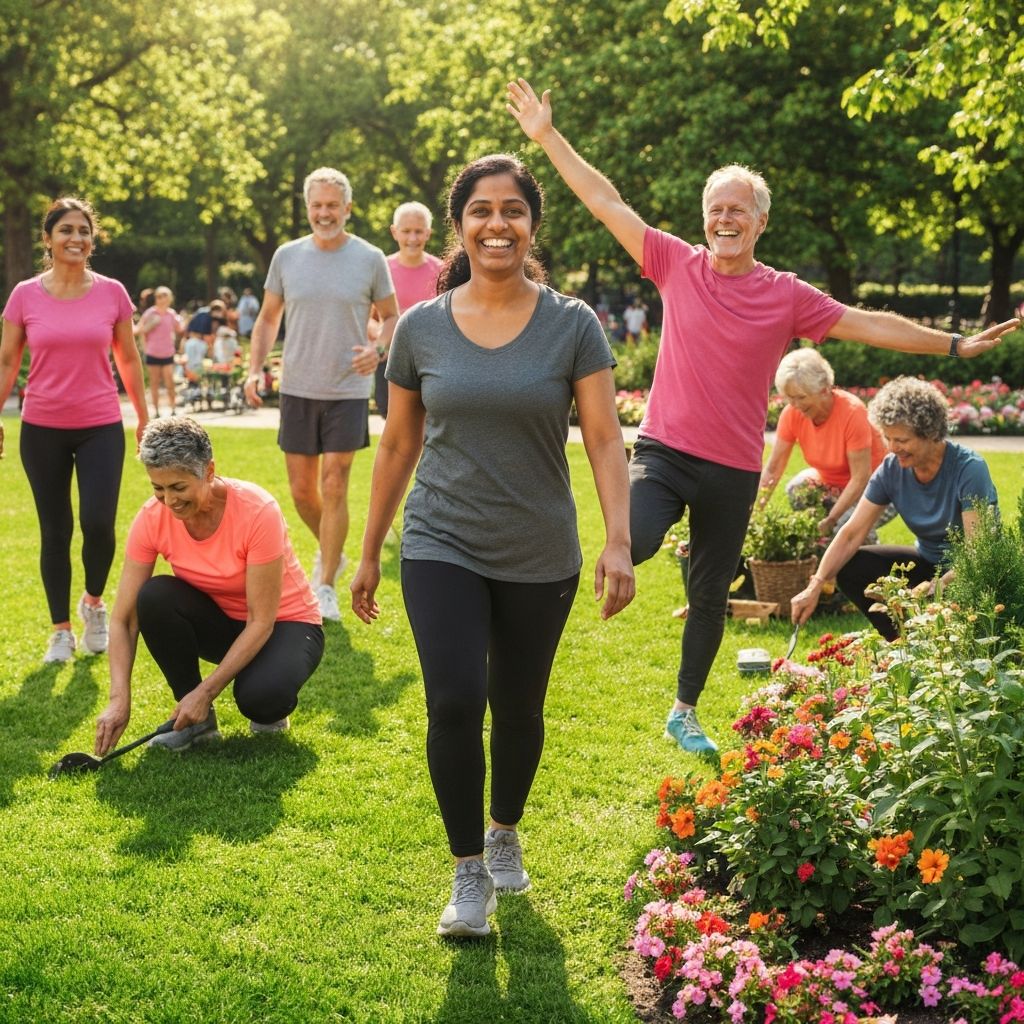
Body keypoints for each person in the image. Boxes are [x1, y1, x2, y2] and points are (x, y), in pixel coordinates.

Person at [507, 77, 1020, 755]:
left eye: (738, 210)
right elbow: (606, 200)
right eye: (716, 208)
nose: (725, 219)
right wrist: (546, 136)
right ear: (704, 217)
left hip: (732, 469)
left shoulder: (786, 295)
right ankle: (524, 638)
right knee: (631, 540)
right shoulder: (674, 262)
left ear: (760, 221)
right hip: (664, 452)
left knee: (713, 591)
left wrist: (953, 343)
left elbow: (867, 323)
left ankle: (684, 710)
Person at [350, 153, 635, 938]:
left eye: (512, 209)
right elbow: (398, 446)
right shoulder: (421, 328)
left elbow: (606, 439)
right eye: (481, 210)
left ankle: (504, 830)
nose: (497, 223)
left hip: (539, 547)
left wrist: (620, 541)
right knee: (451, 700)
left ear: (532, 224)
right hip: (440, 539)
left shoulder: (573, 324)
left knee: (517, 705)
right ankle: (467, 873)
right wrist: (372, 547)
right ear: (459, 225)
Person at [94, 417, 325, 755]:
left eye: (178, 487)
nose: (168, 500)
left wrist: (205, 692)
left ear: (209, 470)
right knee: (154, 596)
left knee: (261, 699)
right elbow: (124, 618)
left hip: (284, 625)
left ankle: (266, 701)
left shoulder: (258, 511)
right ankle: (199, 726)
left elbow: (261, 620)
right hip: (222, 624)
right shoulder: (151, 518)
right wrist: (119, 700)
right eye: (158, 488)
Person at [244, 167, 398, 623]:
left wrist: (377, 350)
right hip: (297, 386)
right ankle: (332, 552)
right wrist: (255, 368)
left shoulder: (370, 258)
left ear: (347, 209)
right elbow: (269, 318)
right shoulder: (287, 257)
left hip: (347, 389)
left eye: (333, 205)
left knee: (334, 483)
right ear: (308, 208)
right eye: (317, 205)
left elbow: (392, 316)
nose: (324, 213)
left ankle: (326, 582)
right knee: (301, 491)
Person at [0, 197, 149, 663]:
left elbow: (127, 357)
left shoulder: (112, 293)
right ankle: (61, 631)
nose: (76, 239)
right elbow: (7, 359)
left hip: (101, 424)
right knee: (55, 529)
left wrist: (145, 416)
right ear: (48, 239)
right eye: (65, 230)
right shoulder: (25, 294)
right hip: (42, 426)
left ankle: (93, 603)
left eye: (84, 231)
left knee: (99, 523)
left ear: (92, 239)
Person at [790, 376, 998, 639]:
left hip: (972, 573)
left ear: (931, 433)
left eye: (901, 440)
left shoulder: (969, 469)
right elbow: (852, 533)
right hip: (928, 563)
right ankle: (903, 643)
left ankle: (932, 641)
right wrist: (817, 584)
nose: (892, 448)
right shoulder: (892, 469)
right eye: (887, 438)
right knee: (852, 565)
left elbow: (977, 552)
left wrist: (934, 589)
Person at [759, 347, 894, 543]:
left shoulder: (852, 412)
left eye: (801, 397)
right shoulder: (791, 414)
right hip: (833, 485)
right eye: (790, 398)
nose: (795, 405)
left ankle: (866, 546)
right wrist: (755, 512)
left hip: (879, 487)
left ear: (824, 390)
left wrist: (831, 519)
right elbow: (773, 468)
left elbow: (861, 477)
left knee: (842, 528)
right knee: (796, 489)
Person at [375, 201, 443, 419]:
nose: (412, 238)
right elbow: (367, 318)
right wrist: (380, 343)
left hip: (431, 361)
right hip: (390, 361)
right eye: (406, 231)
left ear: (428, 234)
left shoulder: (442, 271)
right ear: (394, 232)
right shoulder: (381, 269)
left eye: (418, 231)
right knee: (394, 421)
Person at [136, 285, 184, 418]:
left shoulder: (172, 314)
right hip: (152, 353)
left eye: (164, 296)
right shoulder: (150, 313)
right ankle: (156, 411)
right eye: (158, 296)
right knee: (154, 383)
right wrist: (150, 325)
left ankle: (173, 409)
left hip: (167, 353)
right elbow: (137, 330)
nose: (161, 299)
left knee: (170, 382)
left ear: (169, 298)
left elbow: (180, 329)